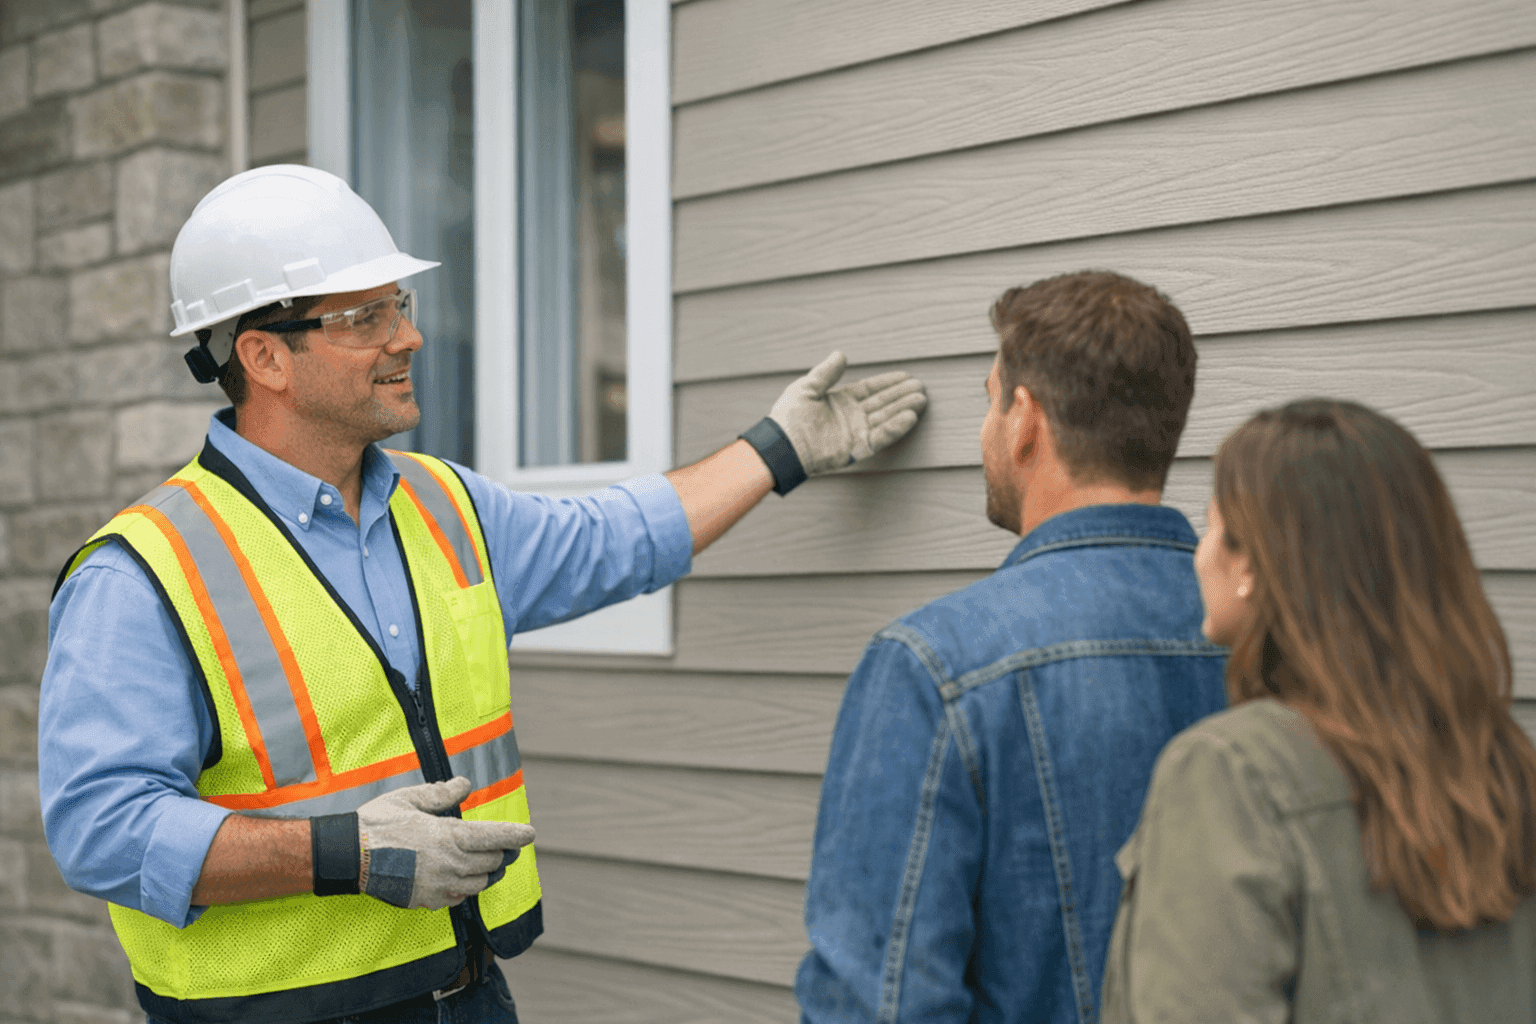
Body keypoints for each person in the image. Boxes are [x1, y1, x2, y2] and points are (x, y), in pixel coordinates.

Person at [38, 164, 928, 1024]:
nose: (407, 337)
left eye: (401, 305)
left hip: (464, 992)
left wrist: (779, 450)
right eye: (364, 315)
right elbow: (103, 829)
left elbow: (610, 539)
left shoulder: (443, 504)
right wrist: (347, 853)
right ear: (266, 356)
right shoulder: (143, 572)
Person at [795, 271, 1229, 1023]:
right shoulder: (1284, 638)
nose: (985, 429)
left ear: (1025, 420)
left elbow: (876, 1005)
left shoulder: (934, 665)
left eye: (990, 398)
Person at [1100, 399, 1536, 1023]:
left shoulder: (1232, 775)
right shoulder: (1505, 767)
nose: (1200, 553)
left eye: (1212, 523)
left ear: (1250, 560)